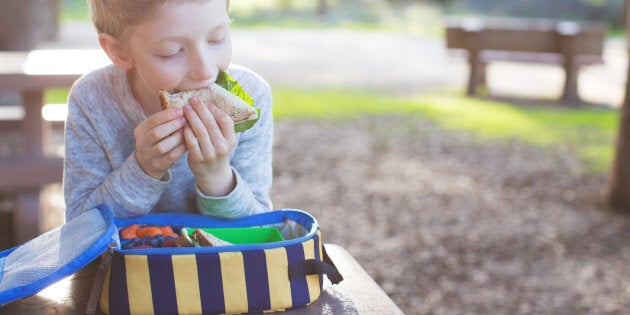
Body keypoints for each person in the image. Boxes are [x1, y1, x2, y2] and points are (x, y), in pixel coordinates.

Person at [64, 0, 273, 221]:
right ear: (120, 52)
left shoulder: (252, 97)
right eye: (171, 52)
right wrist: (144, 169)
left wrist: (217, 177)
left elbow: (260, 230)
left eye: (216, 39)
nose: (205, 70)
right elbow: (80, 228)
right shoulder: (92, 98)